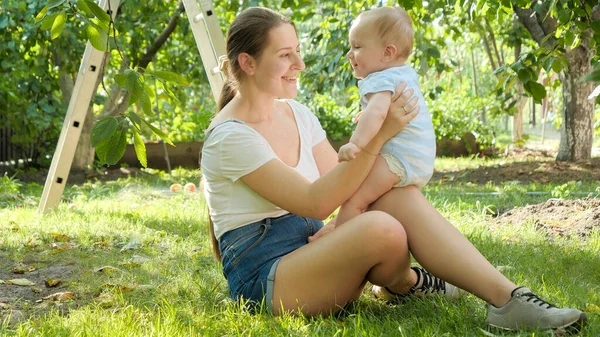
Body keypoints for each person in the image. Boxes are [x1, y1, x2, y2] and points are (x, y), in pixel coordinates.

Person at [200, 6, 587, 333]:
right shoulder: (230, 137)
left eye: (297, 51)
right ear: (248, 63)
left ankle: (507, 299)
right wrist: (382, 135)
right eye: (285, 55)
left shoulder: (297, 113)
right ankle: (410, 282)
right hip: (267, 280)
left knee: (396, 194)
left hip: (313, 254)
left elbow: (343, 181)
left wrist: (381, 159)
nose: (300, 64)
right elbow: (316, 202)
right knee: (380, 228)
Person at [335, 7, 435, 226]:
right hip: (418, 159)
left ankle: (335, 239)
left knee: (354, 200)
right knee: (369, 198)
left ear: (388, 53)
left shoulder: (380, 78)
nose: (349, 54)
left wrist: (355, 144)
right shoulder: (403, 73)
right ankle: (337, 229)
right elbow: (382, 109)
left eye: (357, 47)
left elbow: (378, 113)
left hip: (398, 158)